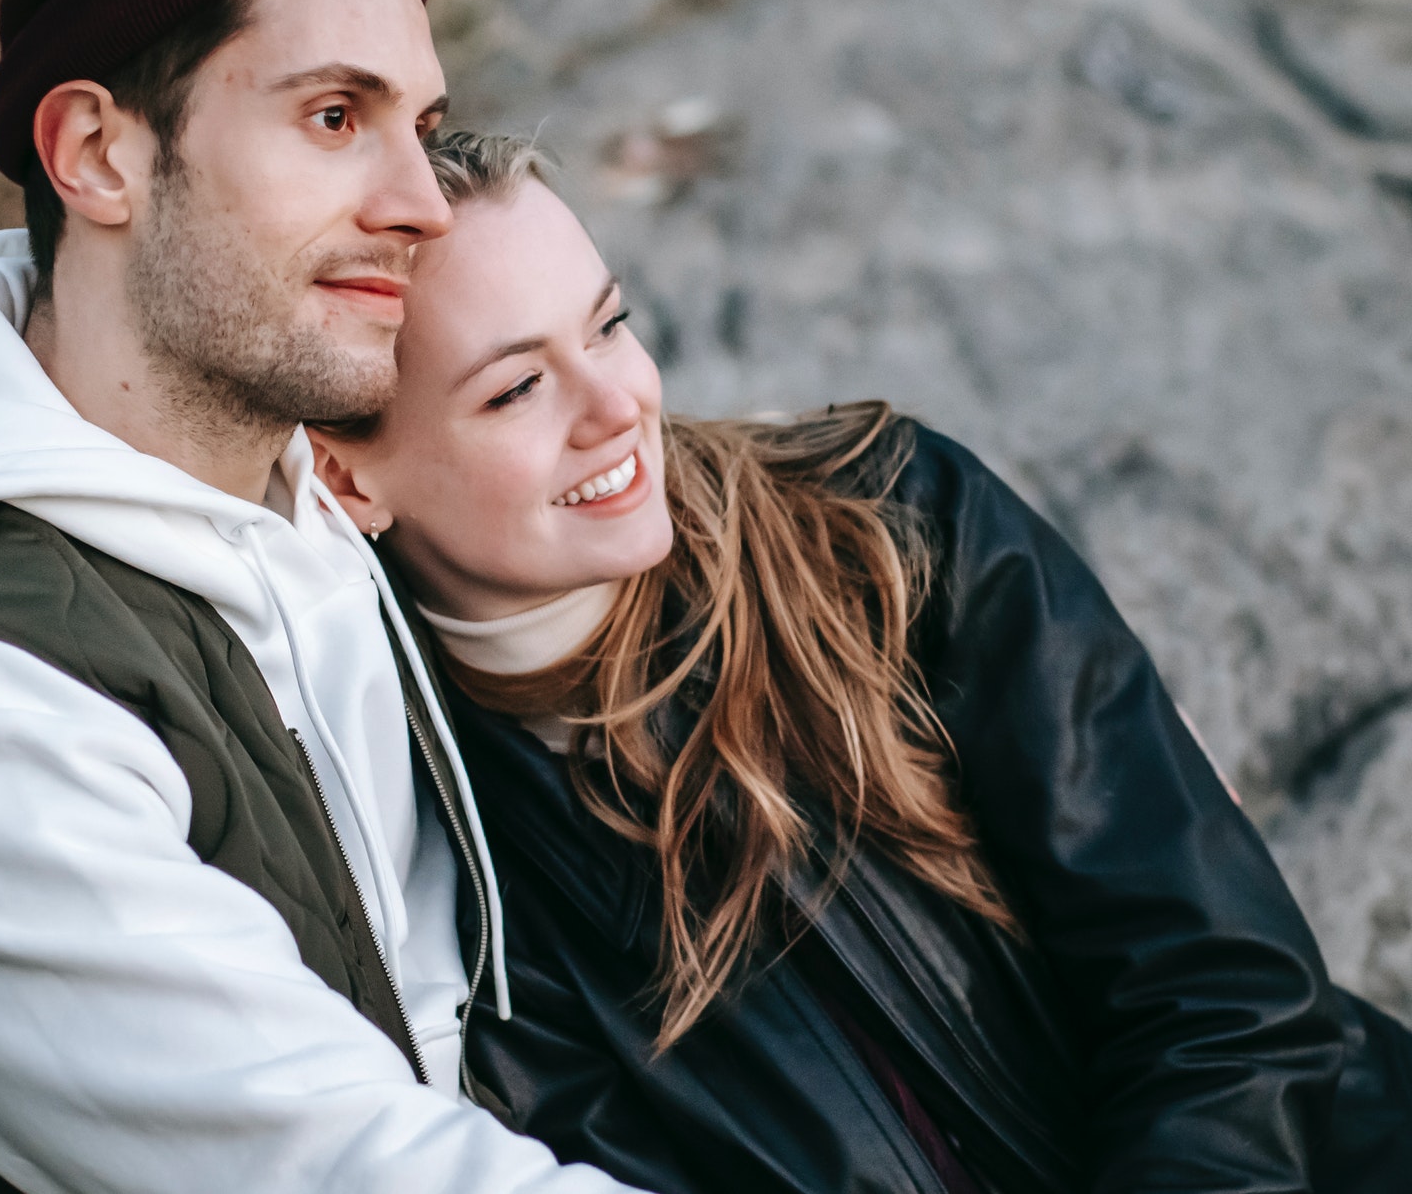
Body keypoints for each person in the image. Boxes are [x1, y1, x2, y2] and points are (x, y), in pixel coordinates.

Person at [0, 0, 647, 1193]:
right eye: (338, 118)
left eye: (421, 121)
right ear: (97, 154)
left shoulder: (277, 463)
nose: (419, 206)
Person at [307, 130, 1412, 1194]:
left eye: (608, 327)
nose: (618, 406)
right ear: (349, 480)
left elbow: (1228, 994)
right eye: (516, 389)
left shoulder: (891, 526)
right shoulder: (439, 863)